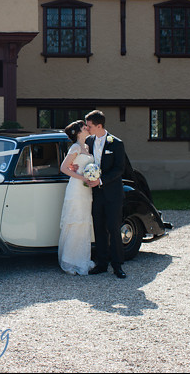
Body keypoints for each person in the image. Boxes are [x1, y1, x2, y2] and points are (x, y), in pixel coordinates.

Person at [85, 110, 128, 279]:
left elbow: (120, 169)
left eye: (89, 126)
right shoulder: (89, 140)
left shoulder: (116, 143)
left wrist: (101, 181)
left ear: (99, 126)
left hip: (112, 193)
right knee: (99, 228)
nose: (87, 128)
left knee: (113, 228)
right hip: (95, 193)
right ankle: (102, 264)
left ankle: (117, 265)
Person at [57, 120, 95, 275]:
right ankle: (70, 260)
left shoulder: (86, 147)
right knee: (75, 221)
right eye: (84, 126)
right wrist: (83, 178)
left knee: (84, 222)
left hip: (86, 190)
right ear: (79, 131)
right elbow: (64, 168)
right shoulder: (76, 147)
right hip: (77, 189)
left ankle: (83, 259)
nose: (87, 128)